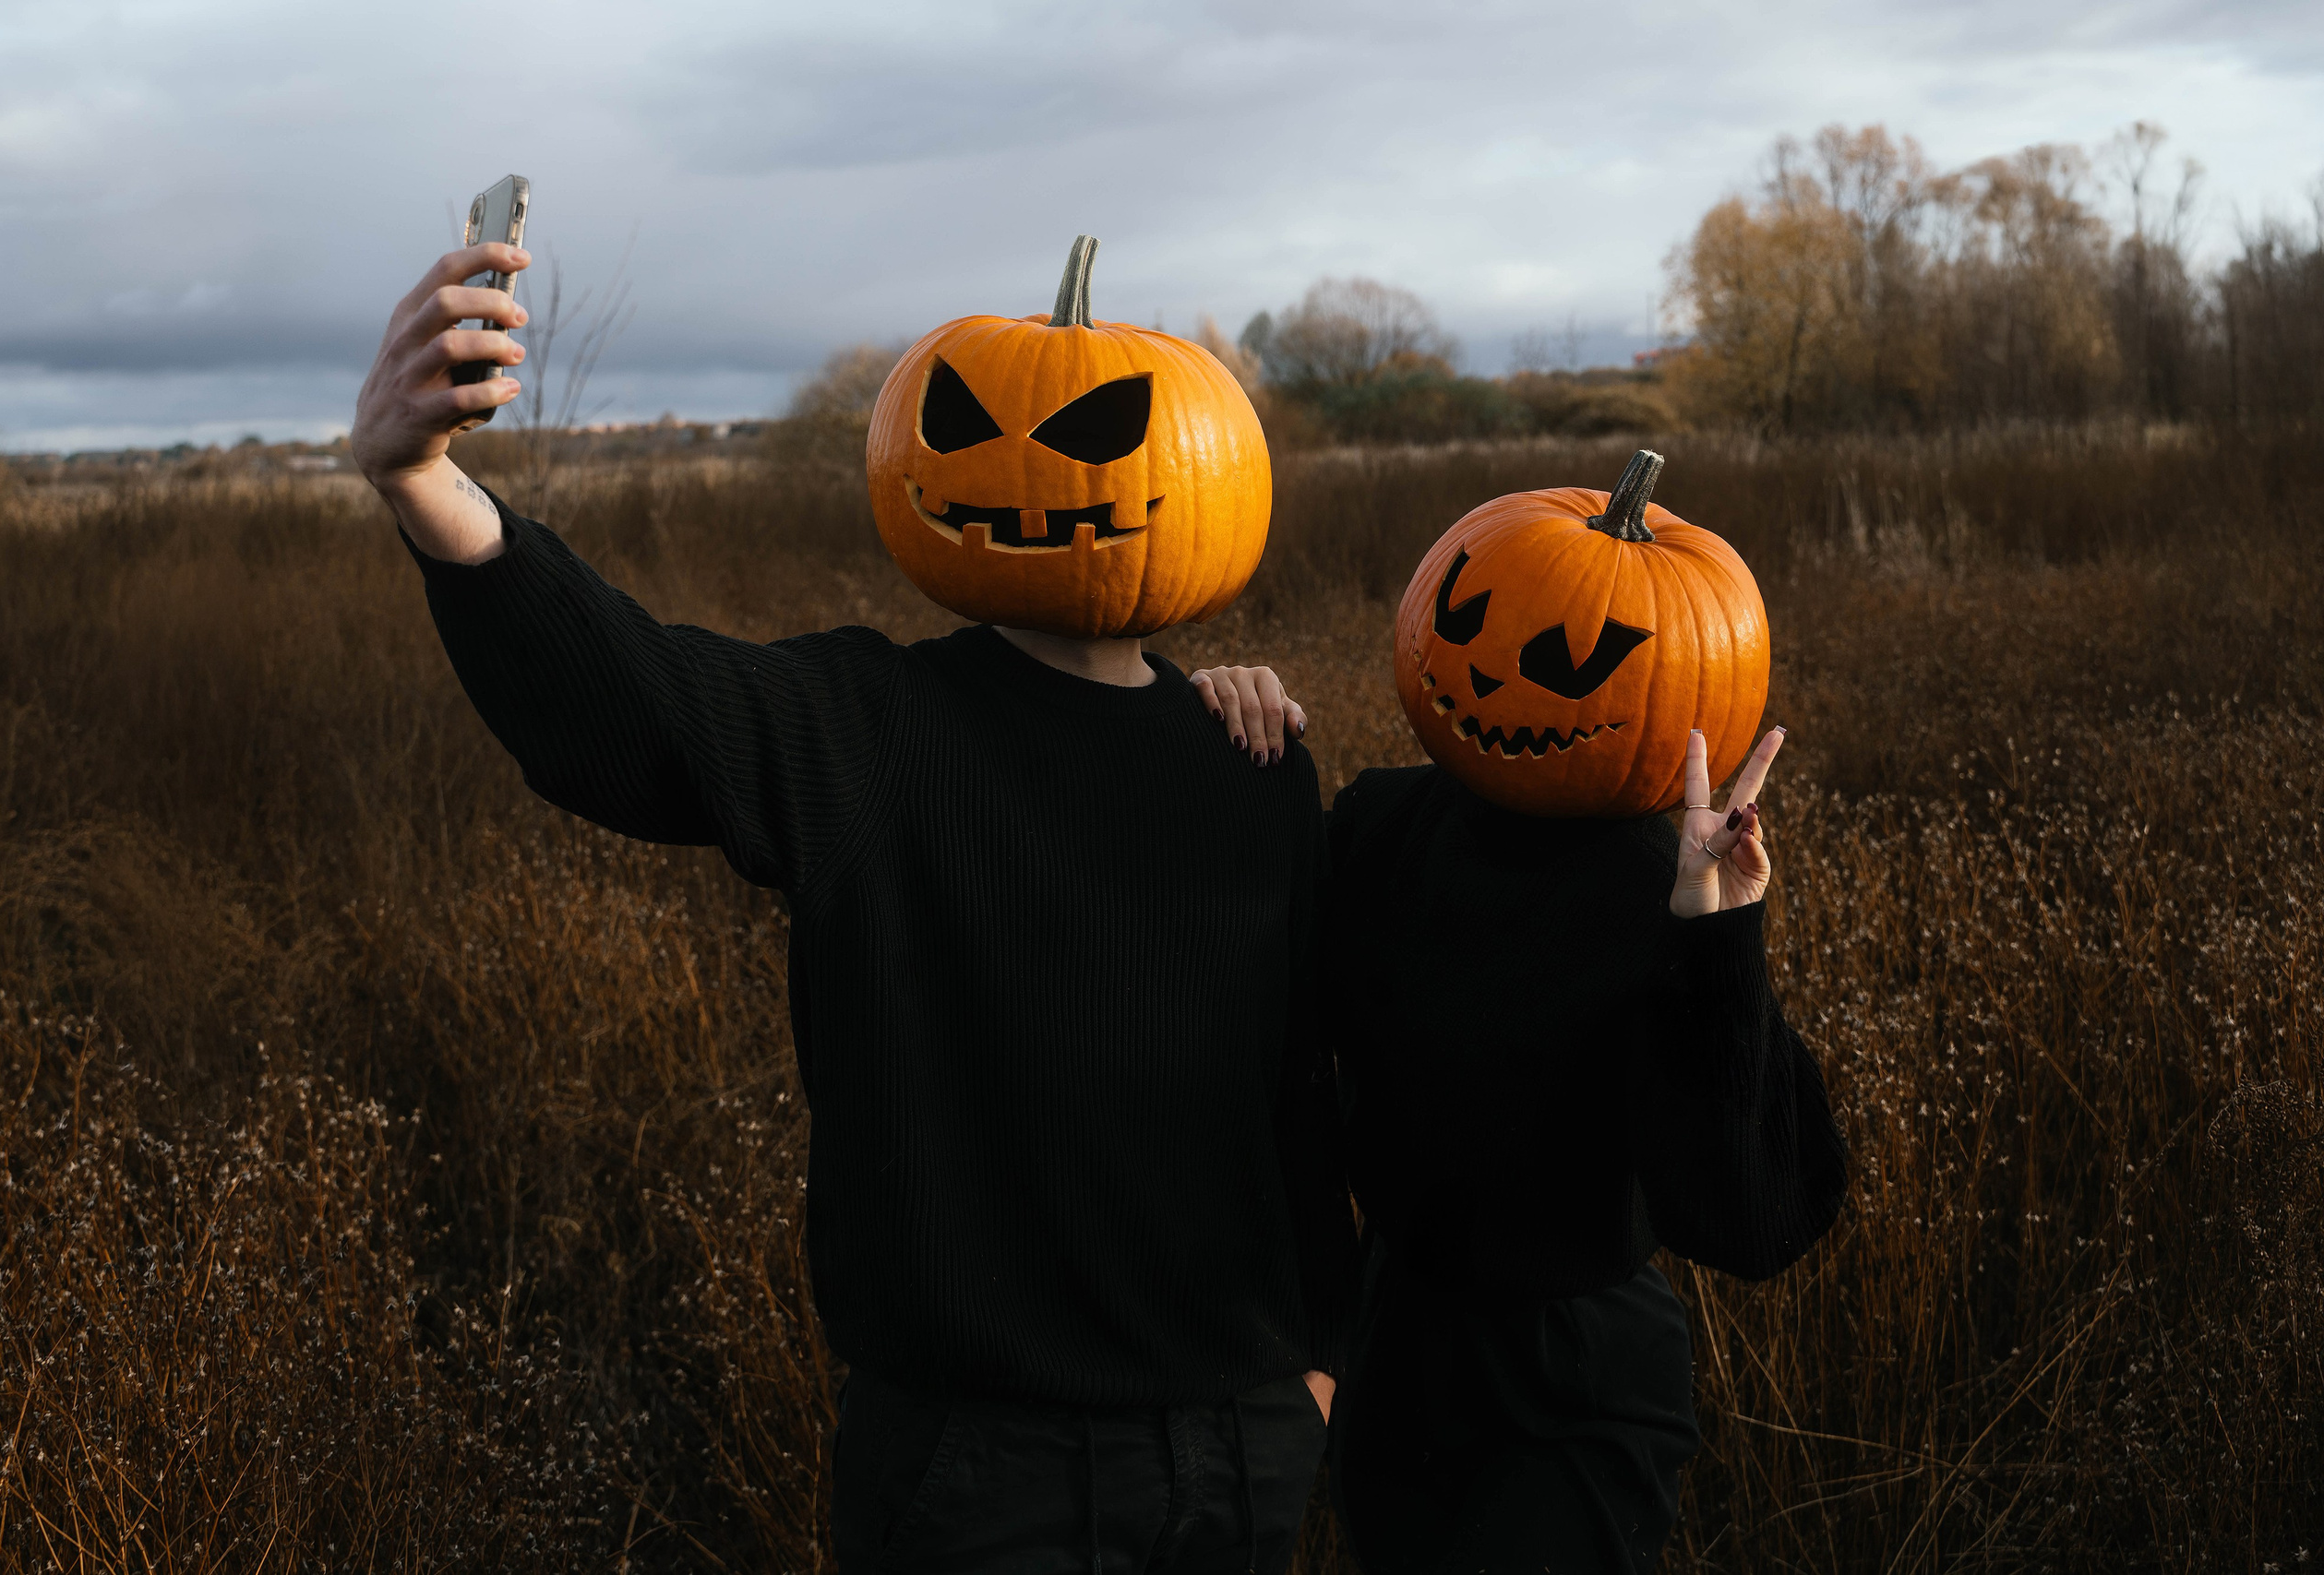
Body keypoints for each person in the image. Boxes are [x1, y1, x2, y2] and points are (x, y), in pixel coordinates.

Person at [353, 242, 1353, 1574]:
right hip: (977, 1476)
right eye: (961, 423)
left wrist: (1321, 1367)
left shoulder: (1258, 767)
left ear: (1201, 477)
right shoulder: (871, 727)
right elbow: (632, 703)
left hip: (1234, 1452)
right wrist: (424, 481)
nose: (1029, 468)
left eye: (1094, 436)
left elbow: (1303, 1098)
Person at [1191, 662, 1848, 1575]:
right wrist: (1207, 729)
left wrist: (1715, 939)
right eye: (1473, 624)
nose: (1515, 680)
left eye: (1579, 664)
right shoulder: (1383, 826)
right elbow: (1231, 985)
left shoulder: (1651, 877)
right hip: (1396, 1344)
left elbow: (1753, 1219)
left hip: (1570, 1372)